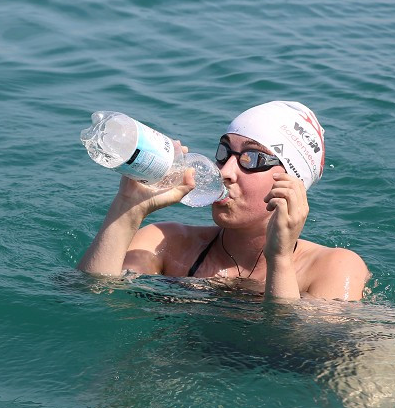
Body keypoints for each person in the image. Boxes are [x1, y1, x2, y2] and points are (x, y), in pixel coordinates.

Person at [77, 101, 369, 300]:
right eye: (224, 152)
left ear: (292, 183)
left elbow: (289, 347)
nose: (226, 171)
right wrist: (127, 210)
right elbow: (90, 297)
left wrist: (278, 258)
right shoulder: (168, 243)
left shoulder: (334, 267)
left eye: (251, 159)